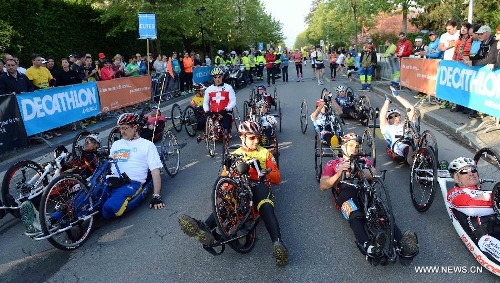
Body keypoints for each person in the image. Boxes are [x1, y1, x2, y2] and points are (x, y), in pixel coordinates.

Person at [178, 121, 289, 266]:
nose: (256, 141)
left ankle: (278, 244)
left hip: (259, 186)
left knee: (267, 207)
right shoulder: (234, 154)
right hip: (239, 188)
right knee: (226, 204)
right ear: (242, 137)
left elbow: (277, 177)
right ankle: (203, 229)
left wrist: (261, 172)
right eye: (251, 138)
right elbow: (224, 179)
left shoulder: (265, 153)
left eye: (257, 137)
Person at [319, 132, 419, 265]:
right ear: (343, 147)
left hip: (365, 190)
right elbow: (323, 185)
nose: (355, 148)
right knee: (354, 214)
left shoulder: (364, 160)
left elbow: (373, 173)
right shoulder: (333, 163)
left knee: (383, 211)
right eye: (351, 145)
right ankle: (369, 246)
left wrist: (357, 170)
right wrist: (339, 173)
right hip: (345, 192)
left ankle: (402, 243)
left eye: (357, 145)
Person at [19, 134, 103, 235]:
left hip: (79, 181)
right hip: (68, 177)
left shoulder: (94, 156)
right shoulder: (80, 153)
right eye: (86, 141)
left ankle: (34, 211)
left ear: (97, 145)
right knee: (49, 188)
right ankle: (28, 206)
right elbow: (71, 163)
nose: (86, 143)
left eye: (90, 141)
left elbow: (95, 171)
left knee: (53, 193)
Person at [104, 113, 165, 218]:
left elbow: (155, 171)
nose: (122, 132)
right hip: (111, 181)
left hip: (131, 183)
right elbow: (110, 164)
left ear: (135, 127)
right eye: (120, 128)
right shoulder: (116, 144)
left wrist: (156, 196)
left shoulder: (147, 145)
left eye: (125, 128)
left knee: (108, 209)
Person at [446, 157, 500, 248]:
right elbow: (471, 209)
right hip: (486, 233)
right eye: (464, 171)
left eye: (473, 169)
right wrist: (495, 199)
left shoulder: (481, 191)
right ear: (456, 178)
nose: (471, 173)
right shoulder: (455, 193)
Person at [380, 86, 416, 166]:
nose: (394, 118)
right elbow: (382, 115)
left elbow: (411, 108)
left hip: (413, 142)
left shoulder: (407, 124)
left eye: (396, 115)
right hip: (399, 144)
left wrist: (397, 96)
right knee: (407, 148)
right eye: (390, 117)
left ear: (399, 116)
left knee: (427, 147)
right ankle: (415, 168)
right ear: (388, 120)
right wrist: (387, 101)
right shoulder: (387, 128)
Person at [202, 67, 236, 136]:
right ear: (213, 78)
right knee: (202, 123)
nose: (217, 79)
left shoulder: (228, 87)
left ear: (222, 77)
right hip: (213, 112)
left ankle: (227, 132)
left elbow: (233, 101)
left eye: (219, 77)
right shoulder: (209, 89)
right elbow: (205, 103)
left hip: (225, 111)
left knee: (225, 126)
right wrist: (207, 111)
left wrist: (226, 110)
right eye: (215, 77)